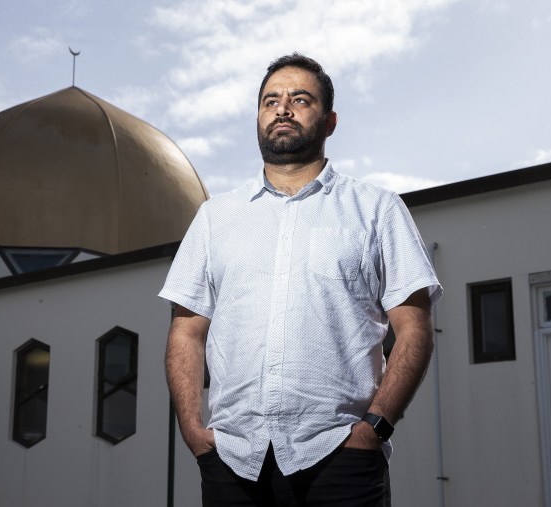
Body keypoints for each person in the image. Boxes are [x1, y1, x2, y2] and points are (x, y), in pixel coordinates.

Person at [159, 53, 442, 507]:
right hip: (232, 459)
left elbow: (415, 329)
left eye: (300, 99)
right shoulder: (215, 218)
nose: (283, 108)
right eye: (270, 100)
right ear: (258, 117)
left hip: (339, 457)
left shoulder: (377, 210)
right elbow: (186, 331)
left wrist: (375, 427)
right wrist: (193, 430)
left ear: (329, 121)